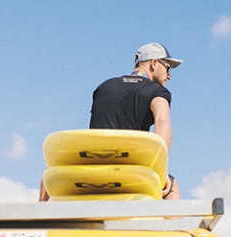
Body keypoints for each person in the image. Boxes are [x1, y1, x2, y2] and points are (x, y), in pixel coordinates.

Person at [39, 42, 182, 201]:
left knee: (51, 172)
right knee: (172, 187)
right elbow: (162, 121)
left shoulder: (104, 87)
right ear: (154, 63)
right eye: (168, 68)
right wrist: (161, 173)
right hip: (129, 173)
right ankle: (174, 227)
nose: (169, 76)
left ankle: (39, 221)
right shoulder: (157, 91)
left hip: (90, 169)